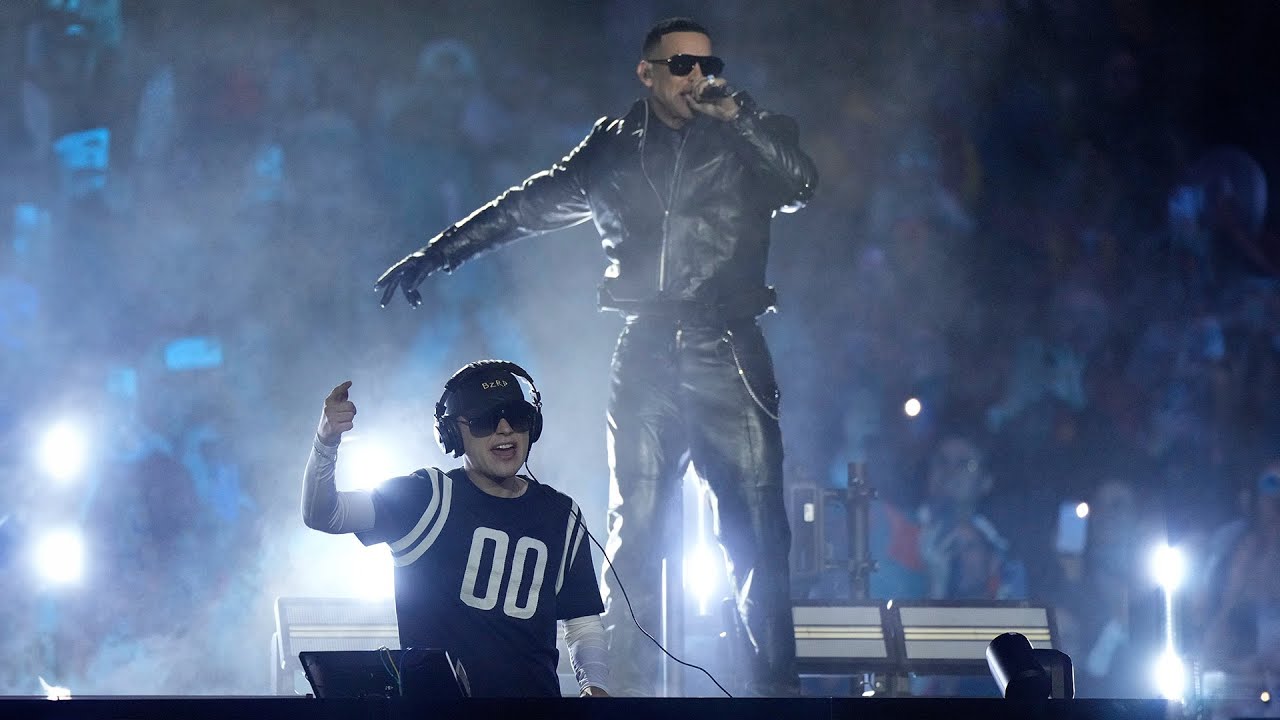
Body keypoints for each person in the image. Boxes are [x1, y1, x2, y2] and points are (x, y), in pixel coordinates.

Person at [373, 17, 816, 696]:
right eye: (680, 65)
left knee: (756, 532)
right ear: (647, 72)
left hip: (727, 346)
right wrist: (439, 253)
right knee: (633, 536)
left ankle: (779, 699)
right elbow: (525, 207)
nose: (696, 76)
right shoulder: (611, 149)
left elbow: (800, 183)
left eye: (706, 64)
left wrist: (743, 115)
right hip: (645, 350)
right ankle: (622, 697)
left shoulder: (745, 136)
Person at [301, 360, 610, 698]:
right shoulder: (425, 496)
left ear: (533, 426)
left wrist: (593, 686)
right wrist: (326, 441)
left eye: (517, 417)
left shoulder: (560, 514)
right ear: (451, 435)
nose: (505, 429)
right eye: (485, 421)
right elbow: (324, 515)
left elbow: (582, 623)